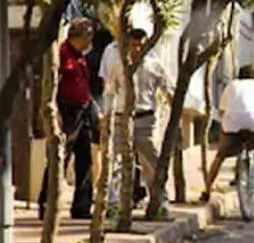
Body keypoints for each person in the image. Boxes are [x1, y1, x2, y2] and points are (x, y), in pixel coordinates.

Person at [102, 28, 175, 216]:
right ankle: (113, 204)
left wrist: (174, 115)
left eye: (141, 46)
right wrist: (105, 118)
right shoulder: (118, 65)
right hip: (122, 119)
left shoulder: (154, 65)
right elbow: (109, 92)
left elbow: (168, 90)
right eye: (133, 45)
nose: (137, 49)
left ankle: (160, 202)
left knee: (151, 162)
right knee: (117, 161)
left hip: (146, 119)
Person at [39, 17, 96, 220]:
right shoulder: (61, 54)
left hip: (83, 111)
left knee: (84, 161)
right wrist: (57, 115)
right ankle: (47, 205)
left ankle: (82, 206)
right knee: (58, 159)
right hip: (66, 111)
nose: (91, 41)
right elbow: (52, 85)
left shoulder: (80, 56)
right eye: (89, 36)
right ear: (80, 36)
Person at [202, 64, 254, 202]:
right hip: (252, 123)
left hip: (231, 125)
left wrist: (231, 119)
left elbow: (222, 111)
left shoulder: (231, 85)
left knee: (220, 157)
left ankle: (207, 190)